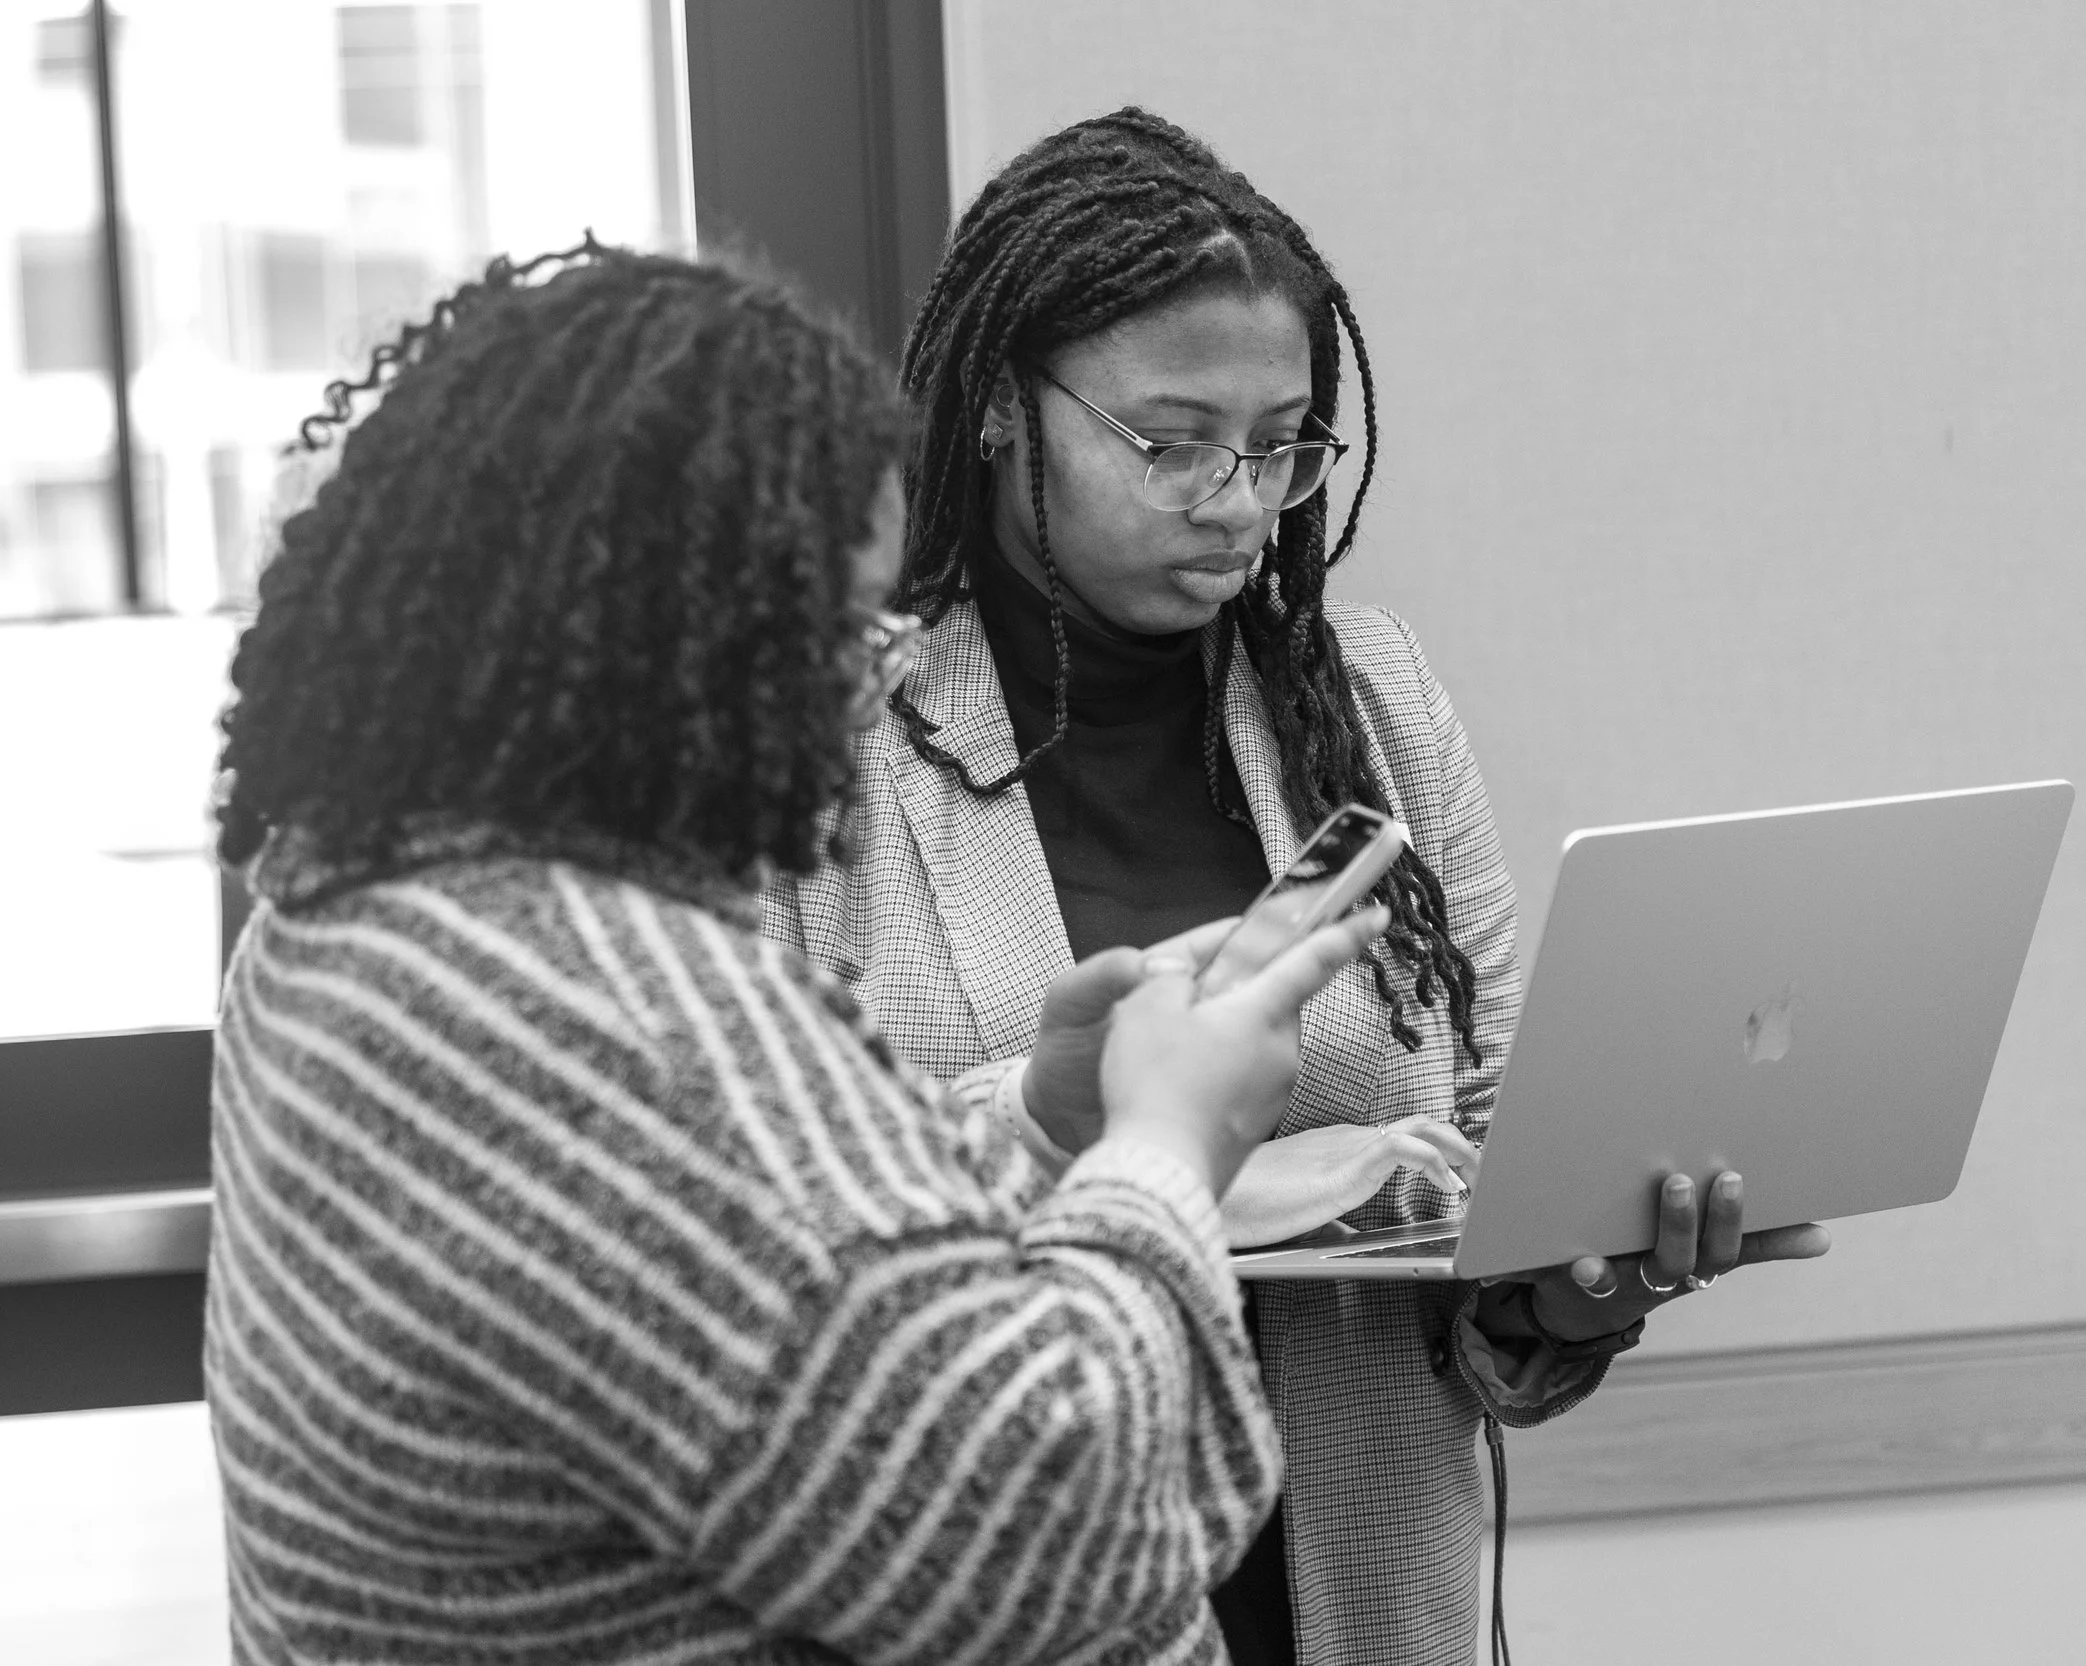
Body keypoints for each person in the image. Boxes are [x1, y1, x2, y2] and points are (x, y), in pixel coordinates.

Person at [204, 241, 1390, 1666]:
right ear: (676, 635)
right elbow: (1057, 1531)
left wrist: (1034, 1127)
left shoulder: (369, 913)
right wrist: (1165, 1143)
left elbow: (802, 1341)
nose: (878, 678)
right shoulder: (618, 1017)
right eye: (846, 623)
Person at [761, 111, 1830, 1666]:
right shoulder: (816, 746)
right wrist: (1117, 1123)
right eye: (1171, 438)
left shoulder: (1370, 707)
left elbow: (1481, 1186)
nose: (1238, 499)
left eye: (1281, 444)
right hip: (992, 1597)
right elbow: (768, 1204)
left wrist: (1574, 1292)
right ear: (999, 407)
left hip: (1353, 1597)